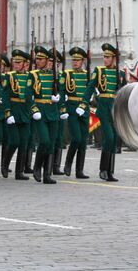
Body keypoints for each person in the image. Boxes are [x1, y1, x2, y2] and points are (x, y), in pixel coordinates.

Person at [26, 46, 66, 185]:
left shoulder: (55, 75)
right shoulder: (33, 75)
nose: (38, 61)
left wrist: (59, 99)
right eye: (37, 58)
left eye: (41, 59)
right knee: (44, 140)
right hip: (40, 112)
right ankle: (37, 166)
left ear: (47, 60)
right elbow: (27, 95)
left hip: (53, 112)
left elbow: (61, 92)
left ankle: (47, 174)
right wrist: (34, 109)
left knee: (52, 143)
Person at [84, 44, 125, 181]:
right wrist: (84, 102)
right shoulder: (99, 70)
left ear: (114, 58)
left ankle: (110, 171)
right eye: (104, 57)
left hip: (115, 109)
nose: (105, 59)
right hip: (104, 108)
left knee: (113, 139)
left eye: (108, 57)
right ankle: (103, 170)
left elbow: (124, 92)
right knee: (109, 137)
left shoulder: (120, 74)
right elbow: (90, 87)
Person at [61, 46, 90, 179]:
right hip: (72, 109)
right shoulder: (66, 74)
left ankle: (80, 170)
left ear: (83, 61)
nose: (75, 62)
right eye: (73, 60)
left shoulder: (87, 75)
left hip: (84, 110)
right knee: (76, 138)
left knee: (83, 141)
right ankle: (68, 163)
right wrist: (63, 108)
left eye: (78, 60)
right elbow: (62, 93)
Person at [3, 49, 31, 180]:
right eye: (15, 62)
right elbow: (5, 95)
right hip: (13, 111)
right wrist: (8, 113)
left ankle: (19, 172)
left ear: (25, 64)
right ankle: (5, 163)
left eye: (19, 62)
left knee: (24, 143)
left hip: (25, 112)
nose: (16, 64)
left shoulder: (30, 76)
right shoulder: (9, 76)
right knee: (14, 141)